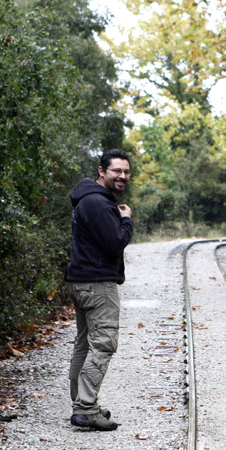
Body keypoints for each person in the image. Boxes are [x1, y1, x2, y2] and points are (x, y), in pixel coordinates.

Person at [65, 149, 134, 431]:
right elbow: (115, 242)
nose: (122, 176)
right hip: (97, 283)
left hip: (81, 281)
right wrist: (126, 219)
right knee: (103, 343)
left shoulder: (88, 199)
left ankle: (82, 402)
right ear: (101, 171)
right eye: (116, 170)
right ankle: (85, 407)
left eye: (126, 171)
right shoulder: (98, 202)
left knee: (84, 344)